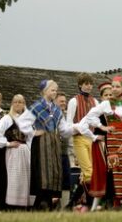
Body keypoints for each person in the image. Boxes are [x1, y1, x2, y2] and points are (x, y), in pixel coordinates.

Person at [78, 76, 122, 209]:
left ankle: (119, 203)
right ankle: (111, 202)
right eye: (113, 86)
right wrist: (102, 127)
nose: (115, 89)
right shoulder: (106, 104)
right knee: (113, 170)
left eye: (118, 87)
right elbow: (90, 117)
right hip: (113, 141)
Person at [25, 79, 78, 210]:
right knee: (42, 175)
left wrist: (78, 128)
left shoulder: (57, 110)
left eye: (55, 90)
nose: (54, 92)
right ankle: (41, 204)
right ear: (44, 91)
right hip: (41, 144)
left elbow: (64, 130)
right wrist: (33, 132)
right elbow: (23, 124)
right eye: (52, 90)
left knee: (53, 175)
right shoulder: (36, 107)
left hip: (54, 145)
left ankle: (45, 205)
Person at [76, 82, 114, 212]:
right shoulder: (98, 110)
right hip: (101, 146)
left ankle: (109, 203)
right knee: (101, 174)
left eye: (111, 94)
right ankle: (93, 206)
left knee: (112, 174)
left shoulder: (115, 109)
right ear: (102, 97)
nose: (109, 97)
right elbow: (81, 126)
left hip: (113, 146)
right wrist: (94, 137)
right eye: (106, 95)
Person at [0, 94, 35, 209]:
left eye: (20, 102)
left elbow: (30, 137)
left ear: (24, 104)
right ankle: (12, 204)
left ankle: (23, 204)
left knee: (25, 178)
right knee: (13, 178)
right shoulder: (8, 118)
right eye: (15, 102)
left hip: (25, 152)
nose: (17, 104)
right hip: (13, 152)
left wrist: (30, 149)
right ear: (12, 104)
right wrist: (8, 143)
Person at [66, 72, 98, 204]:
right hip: (79, 138)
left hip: (92, 139)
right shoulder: (74, 101)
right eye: (86, 83)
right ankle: (90, 204)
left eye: (90, 84)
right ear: (80, 85)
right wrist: (81, 127)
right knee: (89, 173)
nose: (89, 86)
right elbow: (68, 124)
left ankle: (71, 203)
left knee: (88, 174)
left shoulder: (95, 101)